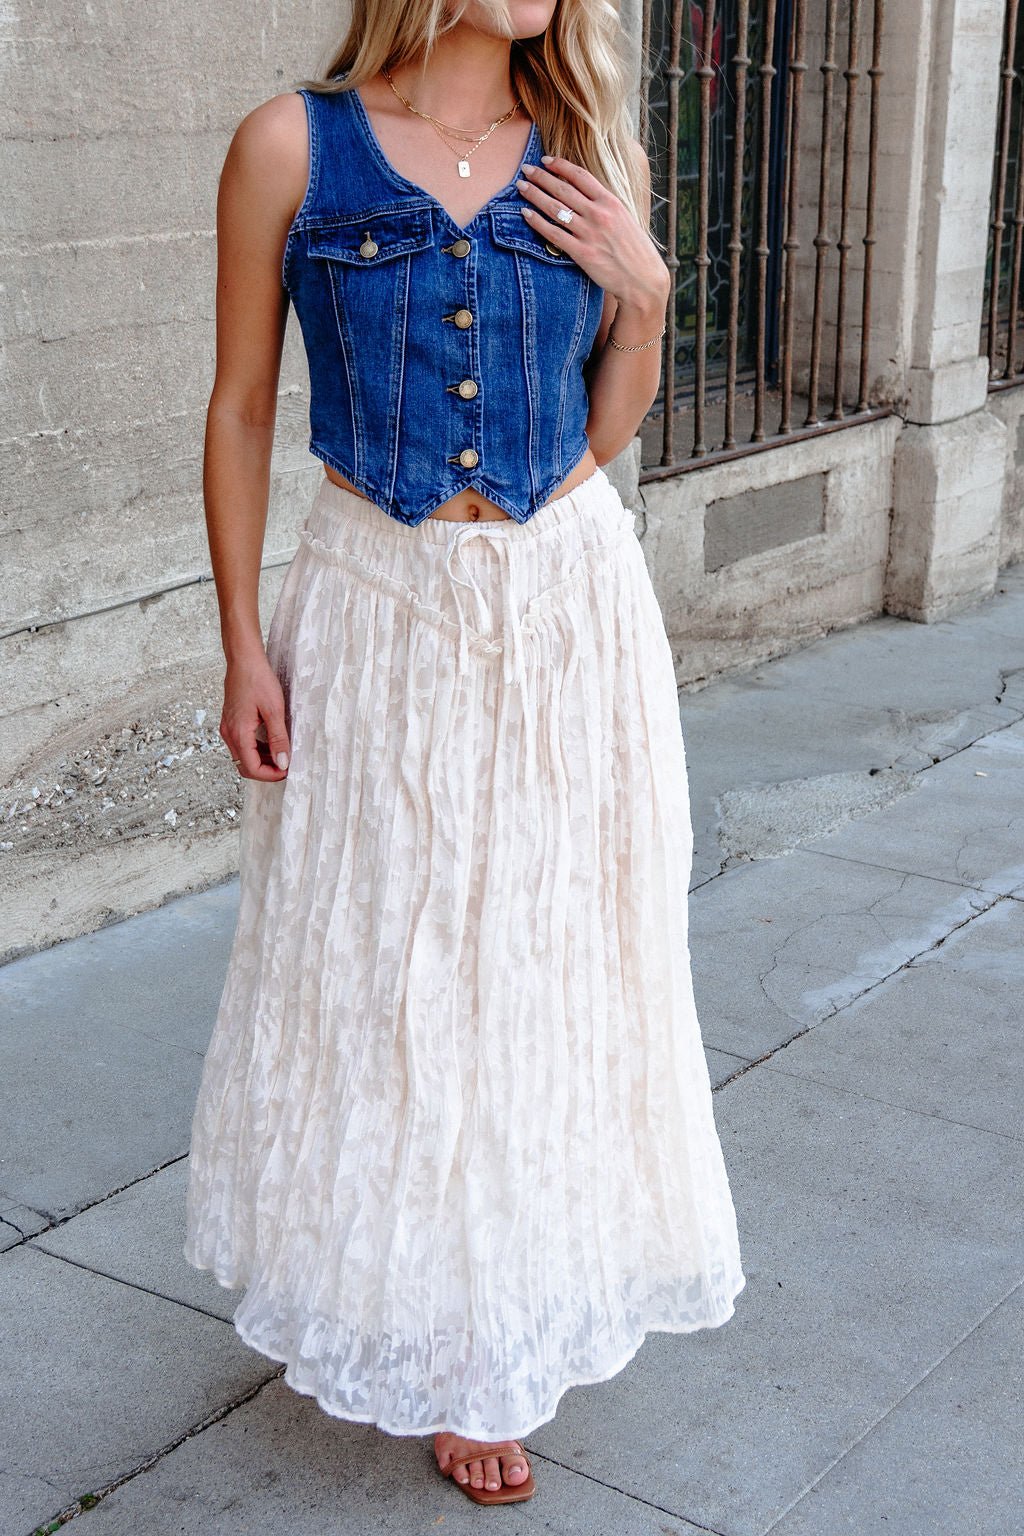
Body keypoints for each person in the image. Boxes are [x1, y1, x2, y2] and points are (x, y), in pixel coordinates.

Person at [184, 0, 745, 1509]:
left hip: (563, 607)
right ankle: (408, 1300)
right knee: (385, 963)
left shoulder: (587, 148)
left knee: (541, 965)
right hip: (375, 604)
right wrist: (241, 644)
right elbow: (241, 408)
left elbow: (597, 436)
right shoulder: (291, 146)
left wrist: (647, 298)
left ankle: (492, 1342)